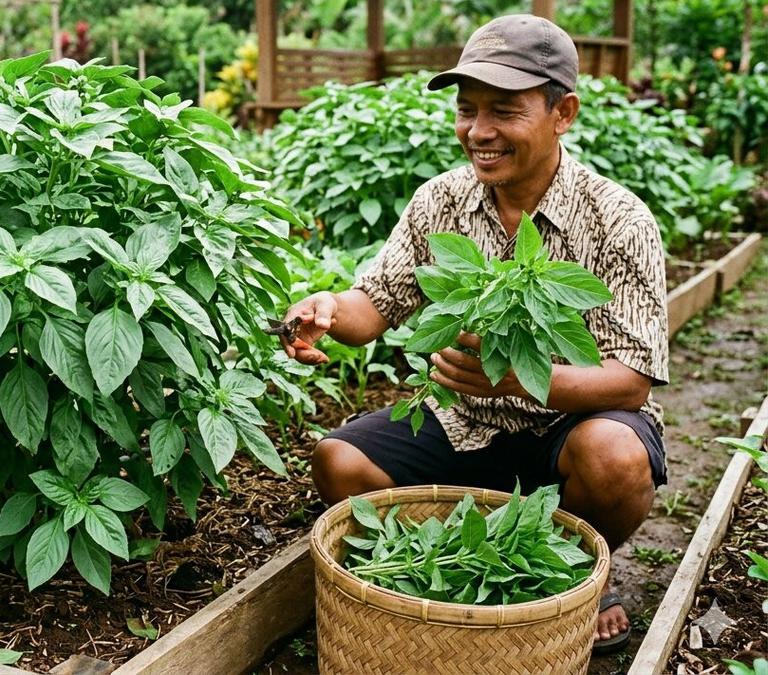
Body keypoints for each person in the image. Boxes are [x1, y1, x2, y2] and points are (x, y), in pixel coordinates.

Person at [279, 14, 669, 655]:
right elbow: (375, 304)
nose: (478, 132)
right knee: (337, 462)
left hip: (569, 427)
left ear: (562, 112)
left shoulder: (617, 217)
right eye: (467, 110)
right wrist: (326, 309)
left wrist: (521, 379)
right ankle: (464, 565)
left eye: (503, 112)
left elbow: (629, 382)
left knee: (615, 460)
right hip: (467, 418)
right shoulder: (442, 201)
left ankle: (581, 577)